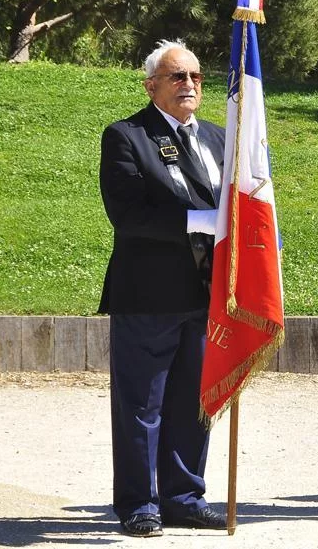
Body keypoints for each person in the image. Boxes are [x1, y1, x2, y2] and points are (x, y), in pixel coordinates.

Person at [98, 39, 227, 536]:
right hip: (149, 295)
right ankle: (139, 503)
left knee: (194, 403)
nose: (189, 84)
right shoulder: (127, 136)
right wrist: (201, 221)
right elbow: (129, 215)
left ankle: (183, 496)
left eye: (195, 76)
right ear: (151, 85)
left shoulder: (220, 138)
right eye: (177, 76)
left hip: (206, 292)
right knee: (141, 405)